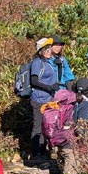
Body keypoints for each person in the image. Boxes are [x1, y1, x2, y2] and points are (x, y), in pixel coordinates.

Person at [28, 37, 59, 165]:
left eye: (49, 48)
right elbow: (34, 80)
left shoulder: (48, 63)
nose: (48, 51)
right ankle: (36, 154)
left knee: (45, 126)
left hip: (47, 99)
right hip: (39, 99)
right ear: (40, 51)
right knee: (38, 126)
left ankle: (42, 152)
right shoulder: (37, 62)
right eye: (45, 49)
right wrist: (49, 87)